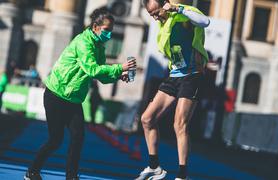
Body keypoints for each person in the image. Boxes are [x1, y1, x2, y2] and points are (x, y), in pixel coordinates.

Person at [24, 7, 136, 180]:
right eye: (106, 30)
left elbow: (101, 76)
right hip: (57, 94)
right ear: (95, 27)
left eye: (111, 31)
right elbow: (91, 69)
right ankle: (32, 172)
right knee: (56, 140)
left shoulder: (99, 46)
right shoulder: (83, 42)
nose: (109, 34)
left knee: (78, 137)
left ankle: (71, 176)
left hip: (74, 99)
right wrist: (119, 67)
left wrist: (118, 76)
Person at [136, 1, 210, 180]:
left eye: (156, 12)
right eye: (151, 14)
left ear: (166, 4)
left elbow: (204, 21)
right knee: (147, 119)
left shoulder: (183, 13)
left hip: (192, 74)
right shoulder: (163, 26)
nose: (154, 17)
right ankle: (155, 167)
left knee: (179, 124)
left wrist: (178, 8)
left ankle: (182, 175)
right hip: (174, 75)